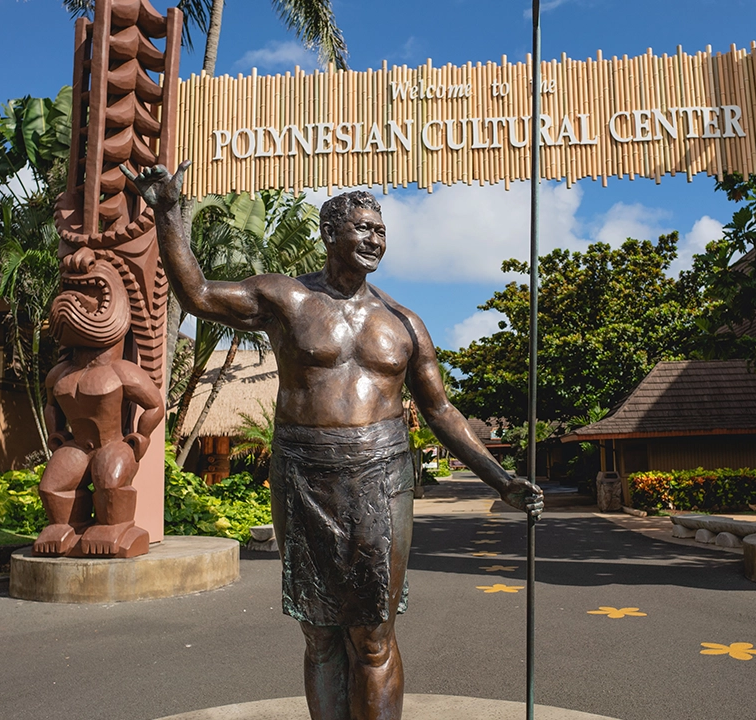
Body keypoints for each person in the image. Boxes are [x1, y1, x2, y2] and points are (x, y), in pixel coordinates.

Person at [123, 161, 544, 720]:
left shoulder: (404, 322)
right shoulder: (285, 298)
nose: (375, 240)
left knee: (373, 636)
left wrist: (501, 480)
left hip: (381, 476)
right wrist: (169, 213)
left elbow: (441, 411)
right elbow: (198, 294)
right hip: (303, 473)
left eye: (381, 231)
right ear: (329, 234)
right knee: (320, 632)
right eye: (363, 228)